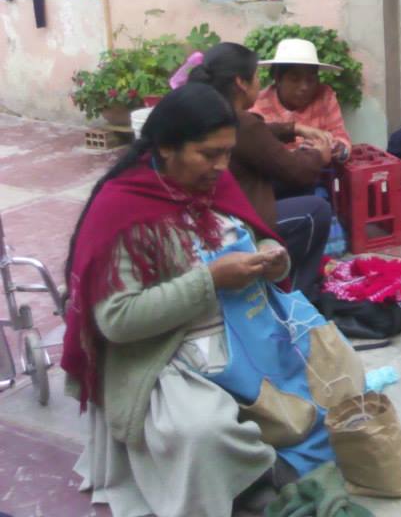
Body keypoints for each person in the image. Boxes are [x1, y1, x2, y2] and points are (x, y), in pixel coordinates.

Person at [61, 84, 310, 516]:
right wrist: (210, 281)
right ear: (166, 147)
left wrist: (273, 259)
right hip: (161, 351)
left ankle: (246, 470)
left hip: (238, 328)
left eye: (227, 153)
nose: (222, 166)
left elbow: (255, 239)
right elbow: (116, 320)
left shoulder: (212, 184)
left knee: (317, 376)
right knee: (202, 428)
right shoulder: (123, 209)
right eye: (209, 154)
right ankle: (256, 472)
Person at [188, 43, 332, 299]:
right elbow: (295, 170)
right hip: (236, 221)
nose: (303, 87)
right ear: (241, 83)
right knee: (317, 210)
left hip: (214, 211)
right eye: (256, 77)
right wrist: (319, 154)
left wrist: (294, 128)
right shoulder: (241, 121)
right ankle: (296, 295)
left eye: (310, 79)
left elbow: (260, 136)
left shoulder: (209, 109)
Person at [251, 37, 352, 162]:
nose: (304, 87)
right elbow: (256, 150)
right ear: (278, 79)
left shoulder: (325, 96)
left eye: (311, 79)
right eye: (295, 79)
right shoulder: (259, 104)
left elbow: (340, 135)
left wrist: (338, 148)